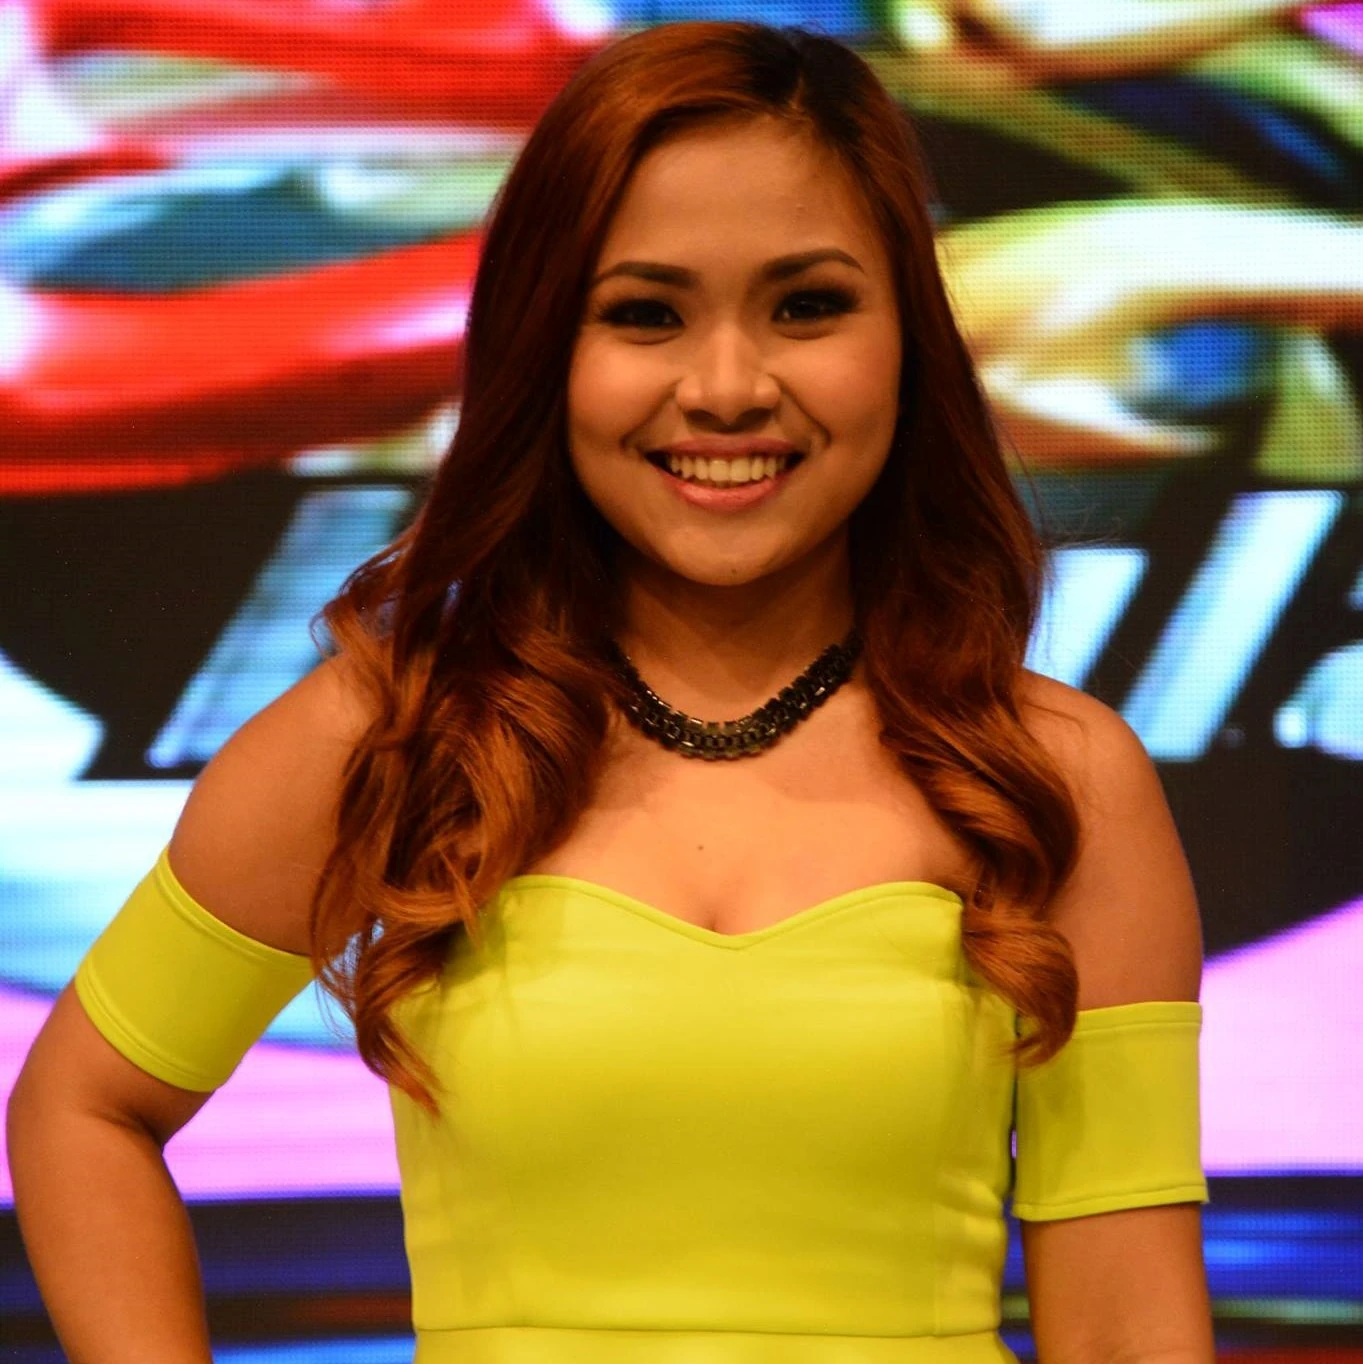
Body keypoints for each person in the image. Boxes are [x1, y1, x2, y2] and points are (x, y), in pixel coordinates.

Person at [6, 20, 1215, 1363]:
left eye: (806, 307)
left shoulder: (1056, 777)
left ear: (910, 342)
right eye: (645, 314)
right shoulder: (396, 734)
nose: (727, 388)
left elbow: (1125, 1323)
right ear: (546, 347)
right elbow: (82, 1109)